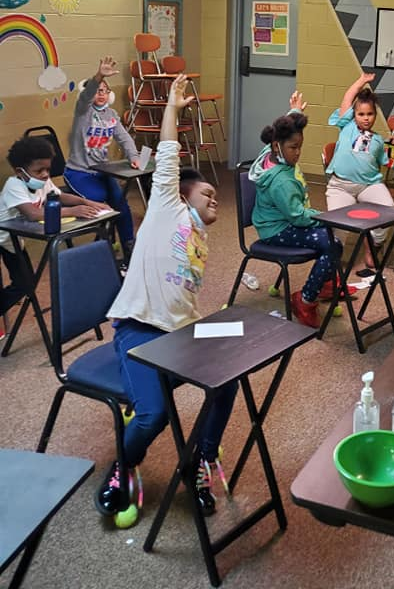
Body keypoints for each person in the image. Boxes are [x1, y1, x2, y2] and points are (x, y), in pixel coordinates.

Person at [96, 74, 235, 523]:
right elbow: (171, 157)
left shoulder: (201, 238)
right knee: (152, 416)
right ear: (180, 195)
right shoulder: (167, 207)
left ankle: (200, 462)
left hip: (178, 333)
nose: (215, 200)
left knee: (227, 378)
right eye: (208, 194)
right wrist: (173, 109)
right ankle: (123, 466)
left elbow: (182, 298)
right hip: (138, 329)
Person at [249, 92, 341, 329]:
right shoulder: (282, 181)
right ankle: (305, 299)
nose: (298, 153)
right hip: (277, 229)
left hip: (283, 220)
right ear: (278, 146)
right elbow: (298, 217)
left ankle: (325, 281)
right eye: (293, 148)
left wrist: (295, 113)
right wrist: (323, 218)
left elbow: (281, 131)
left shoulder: (269, 152)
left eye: (300, 146)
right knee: (332, 243)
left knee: (331, 239)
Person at [0, 136, 106, 316]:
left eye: (47, 169)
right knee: (22, 285)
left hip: (14, 241)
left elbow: (60, 197)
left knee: (26, 284)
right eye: (39, 170)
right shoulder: (14, 185)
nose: (45, 174)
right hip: (3, 239)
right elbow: (32, 214)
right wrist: (73, 211)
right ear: (20, 171)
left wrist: (86, 202)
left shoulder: (42, 181)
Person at [64, 56, 141, 261]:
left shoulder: (112, 114)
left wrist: (133, 157)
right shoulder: (84, 112)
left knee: (121, 206)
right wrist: (99, 77)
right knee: (100, 204)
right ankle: (101, 249)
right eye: (98, 90)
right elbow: (87, 94)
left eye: (105, 90)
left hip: (103, 172)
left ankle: (127, 245)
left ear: (110, 95)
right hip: (79, 172)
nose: (101, 94)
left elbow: (125, 139)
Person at [326, 72, 394, 276]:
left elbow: (384, 163)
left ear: (375, 115)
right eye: (361, 114)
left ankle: (371, 248)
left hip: (368, 185)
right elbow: (348, 98)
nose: (365, 118)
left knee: (388, 211)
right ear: (354, 115)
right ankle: (332, 262)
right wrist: (361, 81)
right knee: (338, 226)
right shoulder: (346, 126)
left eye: (370, 114)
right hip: (341, 185)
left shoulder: (378, 139)